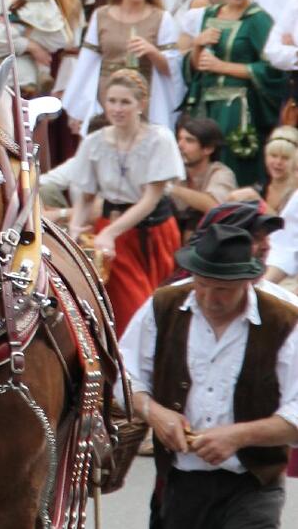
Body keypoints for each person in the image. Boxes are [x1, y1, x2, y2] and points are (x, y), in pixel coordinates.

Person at [118, 223, 298, 529]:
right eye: (201, 284)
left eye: (223, 289)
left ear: (250, 281)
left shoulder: (284, 322)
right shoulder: (164, 306)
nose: (208, 297)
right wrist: (155, 413)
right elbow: (123, 375)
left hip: (253, 486)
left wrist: (238, 436)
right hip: (179, 484)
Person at [70, 69, 185, 335]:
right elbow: (86, 196)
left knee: (160, 308)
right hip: (112, 236)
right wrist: (76, 227)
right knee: (130, 311)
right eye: (112, 101)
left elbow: (150, 198)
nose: (117, 108)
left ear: (141, 104)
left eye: (125, 102)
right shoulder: (94, 142)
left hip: (154, 231)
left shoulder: (159, 138)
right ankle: (124, 368)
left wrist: (109, 233)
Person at [184, 0, 285, 185]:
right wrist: (197, 46)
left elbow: (271, 69)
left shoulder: (258, 20)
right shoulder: (210, 14)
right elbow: (198, 67)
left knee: (234, 166)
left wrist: (224, 67)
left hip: (239, 108)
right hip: (207, 104)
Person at [62, 0, 182, 134]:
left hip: (144, 95)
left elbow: (172, 69)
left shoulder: (161, 18)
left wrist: (152, 51)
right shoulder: (102, 15)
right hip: (106, 93)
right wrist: (79, 108)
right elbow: (87, 63)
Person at [171, 116, 237, 238]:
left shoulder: (221, 173)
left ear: (208, 148)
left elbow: (214, 206)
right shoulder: (173, 172)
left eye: (189, 140)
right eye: (179, 139)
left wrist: (170, 189)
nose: (180, 145)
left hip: (212, 245)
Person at [229, 127, 298, 214]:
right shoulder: (259, 188)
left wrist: (258, 203)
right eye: (273, 155)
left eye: (285, 158)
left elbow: (287, 225)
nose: (278, 162)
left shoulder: (295, 194)